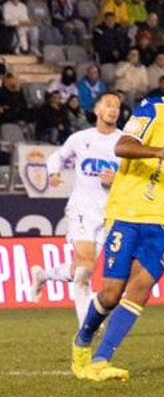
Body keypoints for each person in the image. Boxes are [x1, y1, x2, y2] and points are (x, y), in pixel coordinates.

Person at [70, 63, 164, 382]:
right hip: (129, 213)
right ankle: (82, 341)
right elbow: (123, 146)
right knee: (109, 293)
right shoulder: (152, 109)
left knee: (141, 289)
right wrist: (158, 151)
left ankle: (101, 359)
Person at [27, 93, 124, 322]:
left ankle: (42, 275)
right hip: (82, 210)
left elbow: (134, 178)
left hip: (108, 215)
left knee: (81, 270)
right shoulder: (80, 138)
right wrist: (53, 173)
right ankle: (85, 328)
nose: (114, 110)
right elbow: (57, 157)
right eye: (109, 105)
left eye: (118, 106)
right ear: (97, 110)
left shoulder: (124, 143)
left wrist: (118, 179)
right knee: (85, 269)